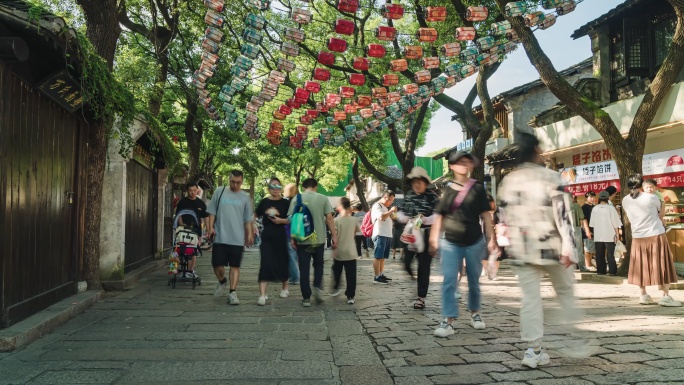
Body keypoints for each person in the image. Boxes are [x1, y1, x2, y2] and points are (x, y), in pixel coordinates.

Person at [497, 132, 584, 369]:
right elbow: (563, 214)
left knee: (530, 300)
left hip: (522, 249)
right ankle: (574, 337)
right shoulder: (550, 177)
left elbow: (503, 218)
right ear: (536, 150)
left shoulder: (508, 181)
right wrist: (569, 246)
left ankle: (533, 351)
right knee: (565, 291)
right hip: (551, 246)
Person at [429, 151, 496, 337]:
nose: (465, 165)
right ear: (451, 166)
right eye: (460, 162)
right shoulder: (447, 190)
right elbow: (440, 217)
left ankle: (475, 313)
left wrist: (492, 241)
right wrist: (434, 238)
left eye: (468, 161)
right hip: (451, 242)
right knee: (450, 279)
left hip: (474, 241)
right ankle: (448, 320)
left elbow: (486, 216)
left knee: (474, 280)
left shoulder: (478, 188)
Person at [621, 174, 681, 307]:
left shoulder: (625, 200)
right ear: (642, 184)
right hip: (655, 234)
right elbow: (661, 215)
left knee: (640, 265)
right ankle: (665, 296)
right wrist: (663, 201)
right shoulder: (652, 197)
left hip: (637, 236)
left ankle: (643, 295)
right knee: (662, 263)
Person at [288, 178, 338, 307]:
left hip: (302, 239)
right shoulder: (322, 198)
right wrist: (334, 236)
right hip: (318, 239)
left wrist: (293, 238)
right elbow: (329, 219)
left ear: (303, 187)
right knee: (318, 265)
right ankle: (317, 286)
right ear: (315, 186)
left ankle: (306, 298)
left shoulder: (296, 198)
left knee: (304, 268)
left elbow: (291, 220)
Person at [206, 170, 254, 305]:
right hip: (220, 236)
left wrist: (249, 233)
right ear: (229, 180)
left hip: (237, 239)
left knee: (235, 266)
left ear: (242, 181)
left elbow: (247, 218)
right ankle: (222, 281)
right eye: (233, 181)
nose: (235, 185)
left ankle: (232, 292)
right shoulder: (220, 191)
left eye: (238, 182)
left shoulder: (245, 197)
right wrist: (210, 228)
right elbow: (212, 212)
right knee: (217, 266)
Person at [397, 167, 439, 309]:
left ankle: (421, 297)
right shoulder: (408, 196)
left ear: (426, 183)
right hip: (410, 233)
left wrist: (425, 219)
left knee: (424, 267)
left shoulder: (432, 197)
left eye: (420, 181)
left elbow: (438, 216)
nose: (417, 184)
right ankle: (413, 277)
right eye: (414, 181)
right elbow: (401, 212)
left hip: (426, 234)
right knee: (406, 262)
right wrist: (405, 218)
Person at [254, 178, 291, 305]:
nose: (275, 189)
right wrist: (252, 225)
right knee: (265, 263)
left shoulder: (286, 203)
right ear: (269, 188)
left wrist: (280, 220)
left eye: (278, 186)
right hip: (267, 237)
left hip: (281, 236)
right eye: (273, 186)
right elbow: (255, 214)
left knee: (283, 261)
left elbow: (291, 219)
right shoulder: (264, 201)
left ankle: (285, 287)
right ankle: (262, 295)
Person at [175, 181, 208, 278]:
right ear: (187, 191)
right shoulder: (182, 202)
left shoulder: (201, 203)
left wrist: (208, 229)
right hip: (183, 230)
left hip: (196, 231)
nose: (192, 192)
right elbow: (179, 214)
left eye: (194, 190)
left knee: (193, 250)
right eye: (190, 191)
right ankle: (182, 269)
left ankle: (190, 270)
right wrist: (181, 225)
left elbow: (205, 217)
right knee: (182, 250)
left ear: (197, 190)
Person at [331, 197, 359, 304]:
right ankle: (350, 296)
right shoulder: (353, 219)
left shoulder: (336, 220)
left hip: (339, 251)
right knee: (351, 275)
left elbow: (334, 237)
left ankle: (336, 287)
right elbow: (356, 232)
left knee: (337, 271)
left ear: (340, 207)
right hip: (351, 251)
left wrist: (334, 248)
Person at [589, 191, 622, 276]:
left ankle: (600, 270)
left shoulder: (595, 208)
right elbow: (616, 223)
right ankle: (612, 271)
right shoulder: (611, 208)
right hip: (610, 234)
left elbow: (592, 224)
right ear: (608, 198)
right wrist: (617, 234)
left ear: (599, 198)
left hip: (598, 235)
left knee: (599, 254)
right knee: (610, 254)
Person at [371, 190, 397, 284]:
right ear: (385, 197)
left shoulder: (386, 208)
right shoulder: (377, 205)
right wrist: (391, 211)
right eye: (390, 200)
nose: (391, 202)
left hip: (387, 234)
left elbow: (390, 218)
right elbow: (381, 217)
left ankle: (381, 274)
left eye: (392, 201)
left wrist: (392, 214)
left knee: (382, 257)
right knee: (378, 256)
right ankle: (376, 276)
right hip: (380, 233)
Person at [484, 195, 508, 280]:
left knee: (497, 255)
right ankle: (488, 271)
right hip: (486, 234)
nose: (491, 205)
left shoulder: (500, 210)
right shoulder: (484, 211)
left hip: (499, 235)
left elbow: (505, 221)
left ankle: (493, 273)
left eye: (491, 203)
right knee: (485, 255)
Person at [283, 182, 300, 285]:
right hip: (300, 230)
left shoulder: (287, 201)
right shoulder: (300, 199)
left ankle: (295, 277)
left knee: (290, 255)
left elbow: (288, 218)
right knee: (295, 255)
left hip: (289, 230)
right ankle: (294, 275)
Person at [570, 196, 592, 272]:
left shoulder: (562, 206)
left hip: (565, 229)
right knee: (579, 249)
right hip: (576, 228)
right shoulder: (576, 206)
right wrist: (587, 230)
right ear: (571, 198)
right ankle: (582, 267)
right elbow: (582, 217)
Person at [582, 191, 596, 271]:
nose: (593, 199)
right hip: (588, 231)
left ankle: (590, 264)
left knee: (591, 248)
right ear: (586, 198)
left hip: (594, 230)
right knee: (588, 248)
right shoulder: (584, 207)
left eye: (594, 197)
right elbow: (584, 220)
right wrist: (587, 230)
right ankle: (588, 265)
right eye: (591, 197)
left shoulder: (594, 206)